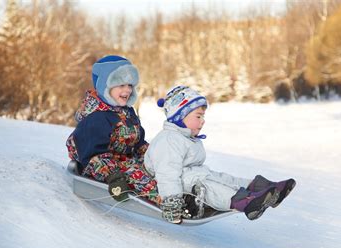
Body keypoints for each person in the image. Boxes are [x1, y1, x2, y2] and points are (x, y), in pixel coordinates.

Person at [144, 86, 296, 224]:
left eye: (203, 117)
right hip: (174, 187)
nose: (202, 121)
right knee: (210, 186)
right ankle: (246, 201)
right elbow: (167, 174)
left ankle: (264, 188)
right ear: (179, 116)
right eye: (198, 116)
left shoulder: (184, 136)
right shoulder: (169, 140)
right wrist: (171, 202)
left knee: (221, 178)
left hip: (190, 176)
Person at [66, 55, 159, 204]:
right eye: (121, 85)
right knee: (140, 178)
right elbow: (93, 155)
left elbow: (138, 143)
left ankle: (185, 194)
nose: (127, 90)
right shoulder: (97, 117)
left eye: (130, 85)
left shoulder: (126, 112)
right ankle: (172, 204)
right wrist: (114, 177)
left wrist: (154, 157)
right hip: (102, 167)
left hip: (125, 161)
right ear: (104, 86)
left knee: (160, 171)